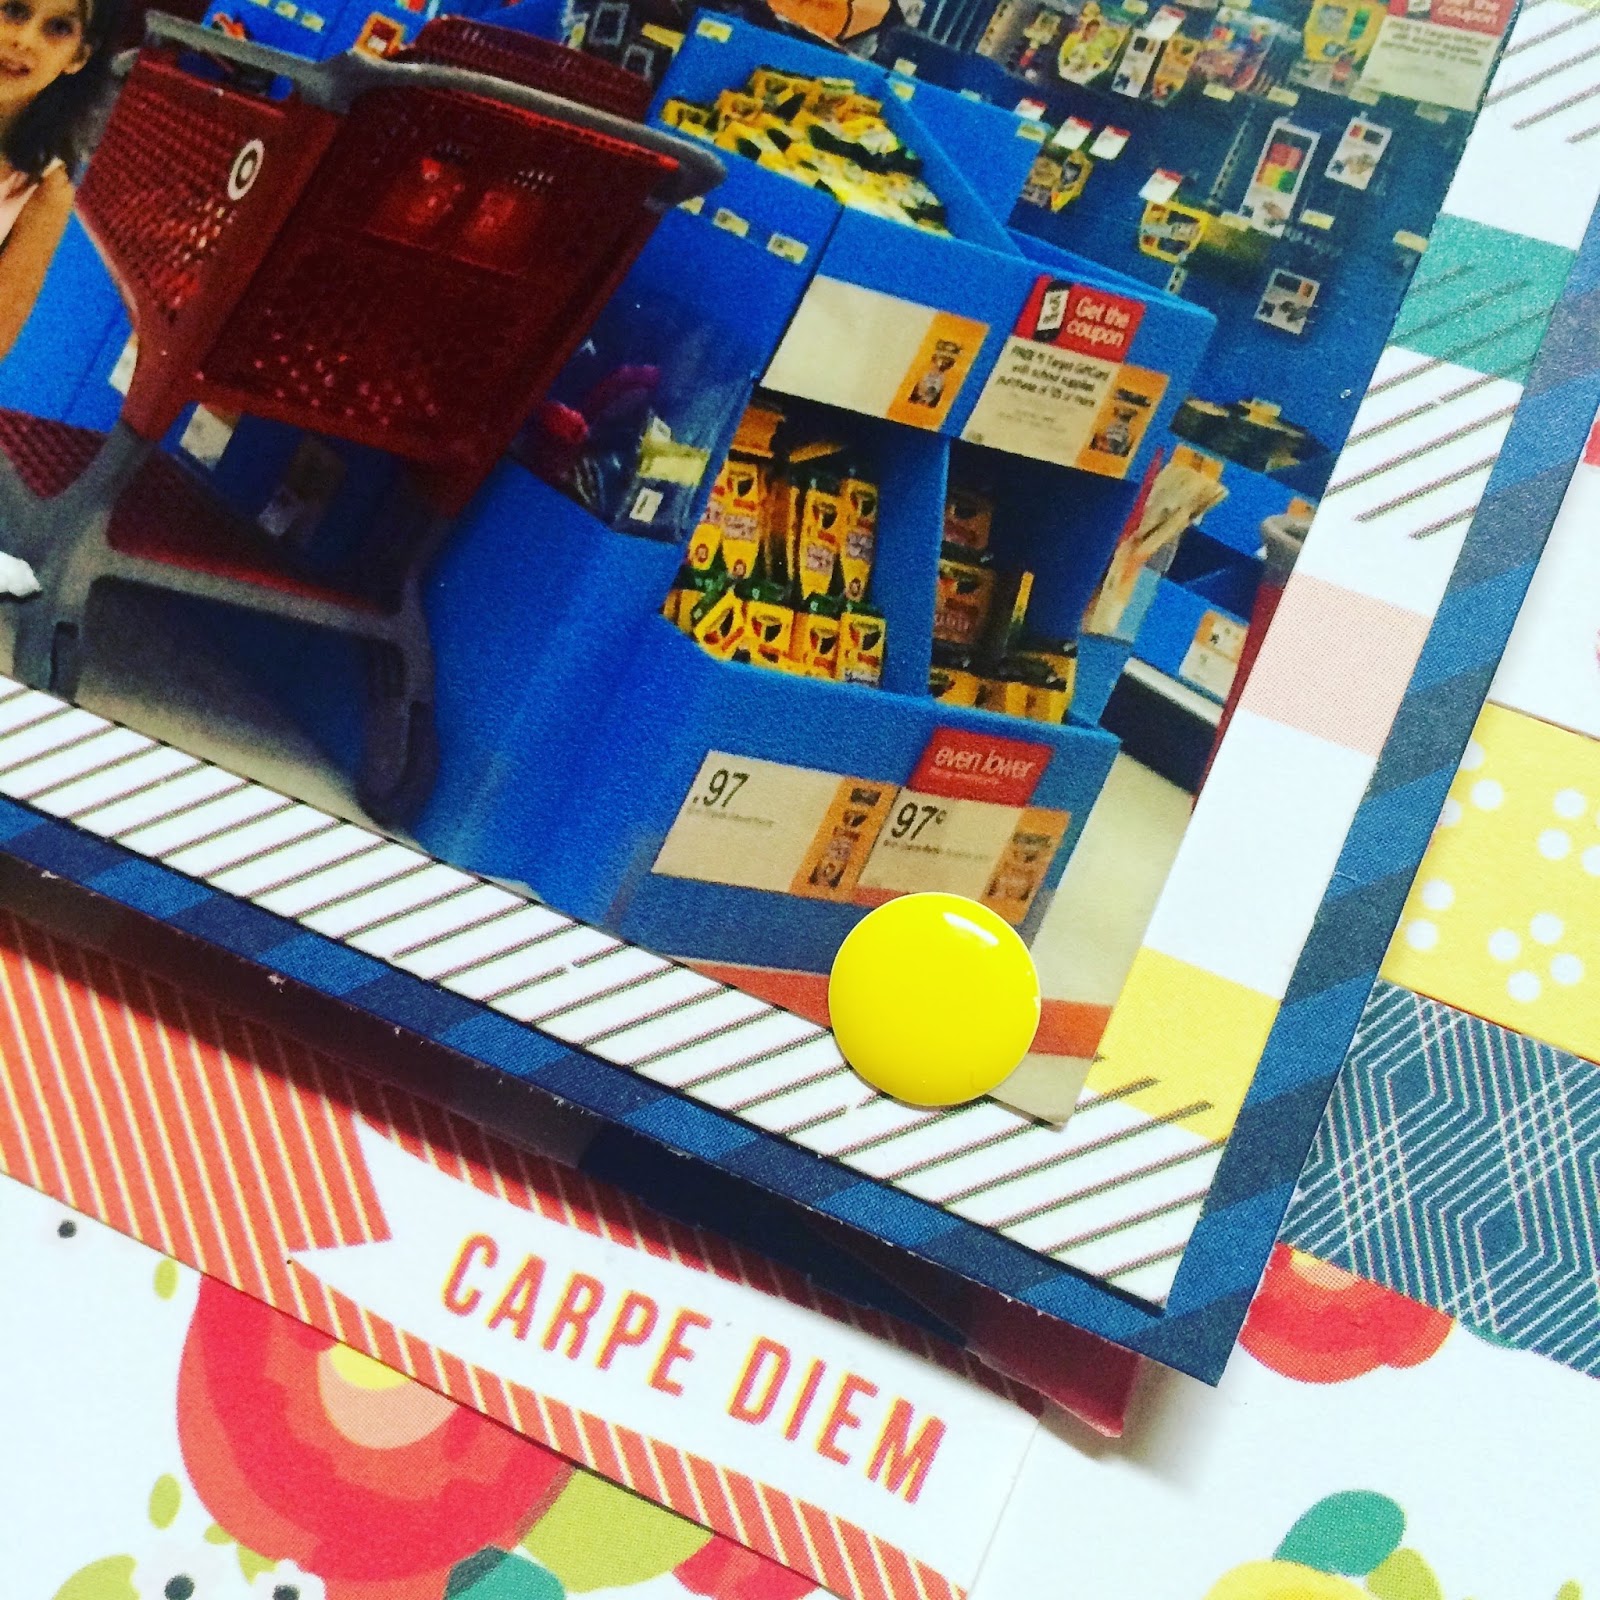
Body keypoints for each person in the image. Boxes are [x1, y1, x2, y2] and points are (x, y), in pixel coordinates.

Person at [0, 0, 122, 596]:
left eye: (57, 27)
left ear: (78, 57)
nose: (23, 39)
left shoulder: (43, 186)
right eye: (12, 10)